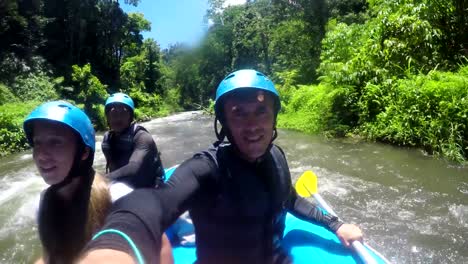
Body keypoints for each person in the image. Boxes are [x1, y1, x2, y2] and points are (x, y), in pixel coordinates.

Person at [80, 70, 363, 264]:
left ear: (274, 117)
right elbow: (157, 203)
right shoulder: (206, 169)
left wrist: (335, 224)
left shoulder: (276, 156)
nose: (252, 125)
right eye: (238, 113)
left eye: (261, 111)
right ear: (224, 123)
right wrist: (113, 242)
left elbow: (289, 198)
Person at [24, 101, 112, 263]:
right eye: (37, 143)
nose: (41, 156)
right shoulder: (42, 202)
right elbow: (50, 255)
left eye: (55, 142)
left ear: (84, 152)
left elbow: (160, 244)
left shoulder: (116, 195)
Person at [102, 93, 165, 198]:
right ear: (107, 118)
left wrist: (102, 179)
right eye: (113, 114)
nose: (118, 118)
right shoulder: (107, 139)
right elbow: (112, 166)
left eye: (123, 113)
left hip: (150, 187)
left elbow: (133, 168)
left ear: (130, 117)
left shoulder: (142, 137)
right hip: (123, 186)